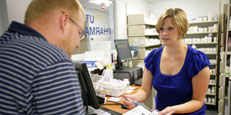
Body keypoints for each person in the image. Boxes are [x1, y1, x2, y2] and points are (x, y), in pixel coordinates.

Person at [0, 0, 86, 114]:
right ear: (64, 20)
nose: (77, 44)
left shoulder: (5, 44)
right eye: (79, 33)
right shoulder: (55, 61)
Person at [123, 8, 210, 115]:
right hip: (162, 113)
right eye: (161, 29)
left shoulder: (197, 60)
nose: (164, 33)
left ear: (181, 29)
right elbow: (145, 91)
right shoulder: (153, 57)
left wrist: (173, 109)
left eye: (170, 28)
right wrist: (134, 99)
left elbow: (198, 101)